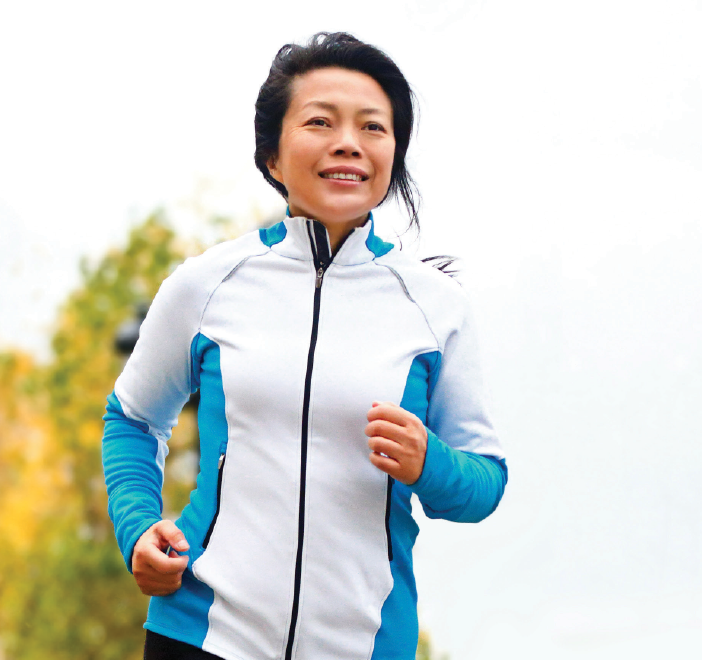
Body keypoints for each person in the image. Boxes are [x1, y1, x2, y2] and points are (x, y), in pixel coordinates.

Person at [102, 32, 507, 660]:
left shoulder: (435, 307)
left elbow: (485, 483)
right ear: (271, 156)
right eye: (320, 122)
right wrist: (137, 528)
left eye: (373, 127)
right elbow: (132, 418)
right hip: (203, 634)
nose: (348, 142)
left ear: (392, 155)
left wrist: (430, 463)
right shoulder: (207, 284)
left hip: (364, 644)